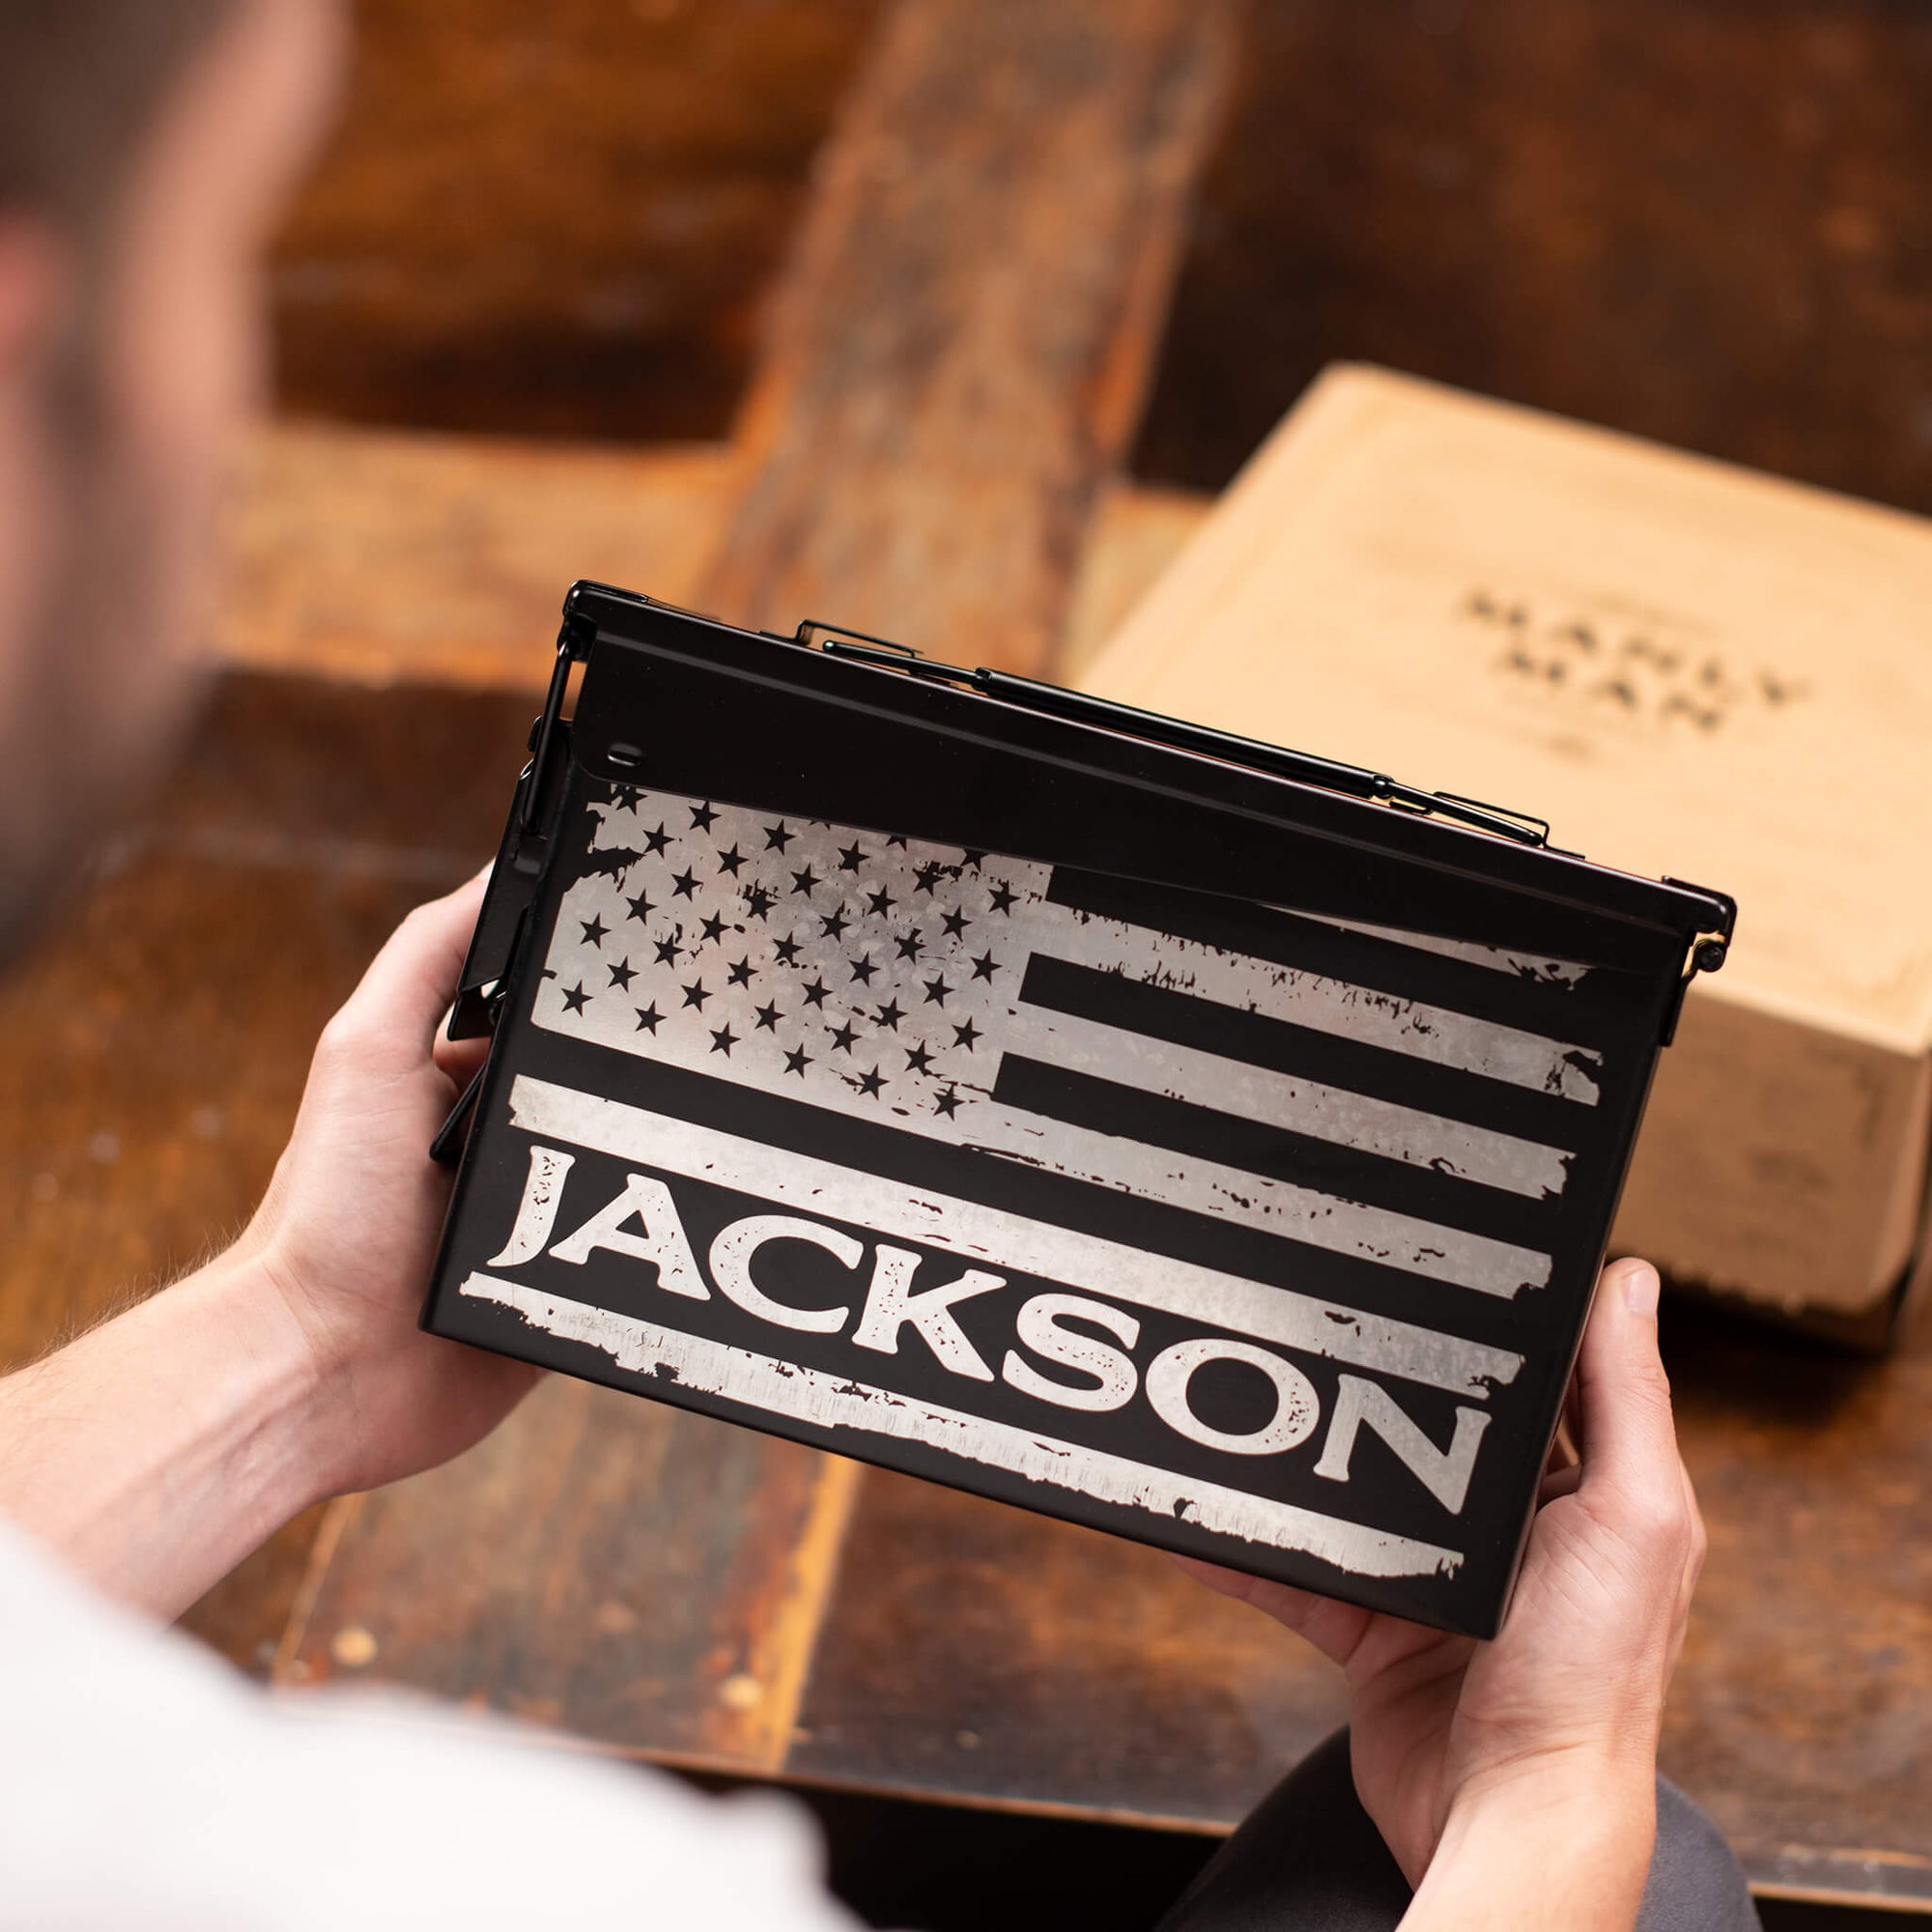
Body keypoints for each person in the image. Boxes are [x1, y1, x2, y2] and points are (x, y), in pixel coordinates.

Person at [0, 1, 1758, 1925]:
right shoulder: (479, 1877)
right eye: (232, 250)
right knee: (1640, 1875)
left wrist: (301, 1335)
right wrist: (1544, 1787)